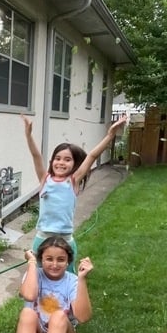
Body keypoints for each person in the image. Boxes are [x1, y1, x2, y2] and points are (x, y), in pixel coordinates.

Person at [22, 113, 127, 264]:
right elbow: (36, 156)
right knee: (38, 276)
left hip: (65, 239)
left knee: (68, 278)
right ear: (52, 161)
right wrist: (28, 135)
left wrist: (110, 135)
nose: (61, 162)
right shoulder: (45, 179)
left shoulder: (73, 181)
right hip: (43, 237)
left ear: (74, 164)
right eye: (57, 159)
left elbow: (91, 156)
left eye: (67, 159)